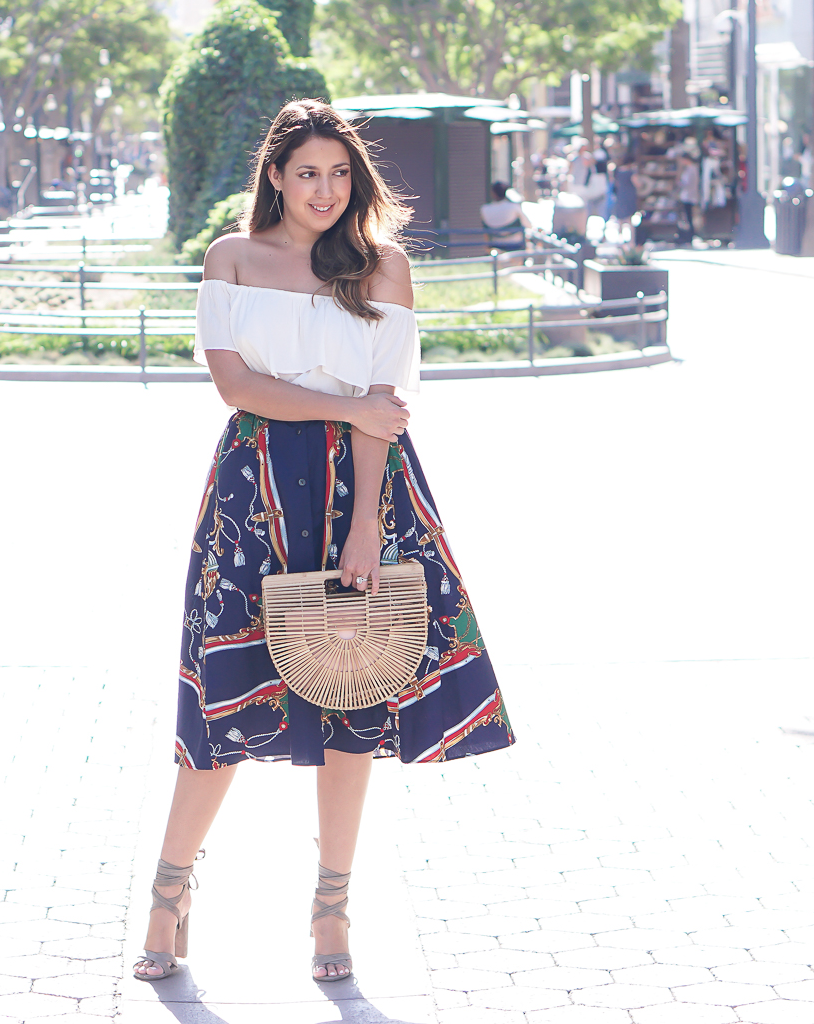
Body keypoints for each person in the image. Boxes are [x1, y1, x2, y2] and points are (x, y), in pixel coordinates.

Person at [134, 99, 515, 986]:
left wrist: (367, 524)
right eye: (307, 172)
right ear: (274, 175)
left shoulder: (382, 266)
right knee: (224, 695)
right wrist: (346, 406)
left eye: (340, 174)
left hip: (365, 489)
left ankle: (331, 909)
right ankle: (168, 891)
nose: (325, 189)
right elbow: (237, 387)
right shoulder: (232, 258)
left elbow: (391, 404)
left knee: (356, 686)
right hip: (253, 489)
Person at [610, 157, 638, 244]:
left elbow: (615, 182)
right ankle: (632, 241)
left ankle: (619, 240)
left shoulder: (618, 171)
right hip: (629, 196)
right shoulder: (631, 172)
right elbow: (637, 183)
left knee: (620, 219)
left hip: (620, 195)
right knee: (630, 219)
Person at [676, 151, 700, 242]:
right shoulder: (690, 168)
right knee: (687, 216)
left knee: (689, 216)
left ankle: (690, 235)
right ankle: (689, 235)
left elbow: (688, 183)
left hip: (689, 195)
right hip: (688, 195)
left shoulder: (692, 169)